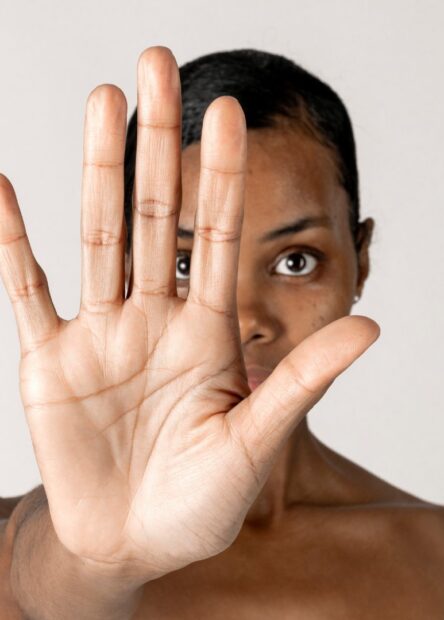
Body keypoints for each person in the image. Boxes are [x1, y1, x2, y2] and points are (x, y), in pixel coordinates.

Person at [0, 45, 442, 619]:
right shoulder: (18, 548)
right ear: (130, 270)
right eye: (185, 263)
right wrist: (93, 565)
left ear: (360, 259)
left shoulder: (433, 558)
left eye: (296, 261)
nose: (245, 320)